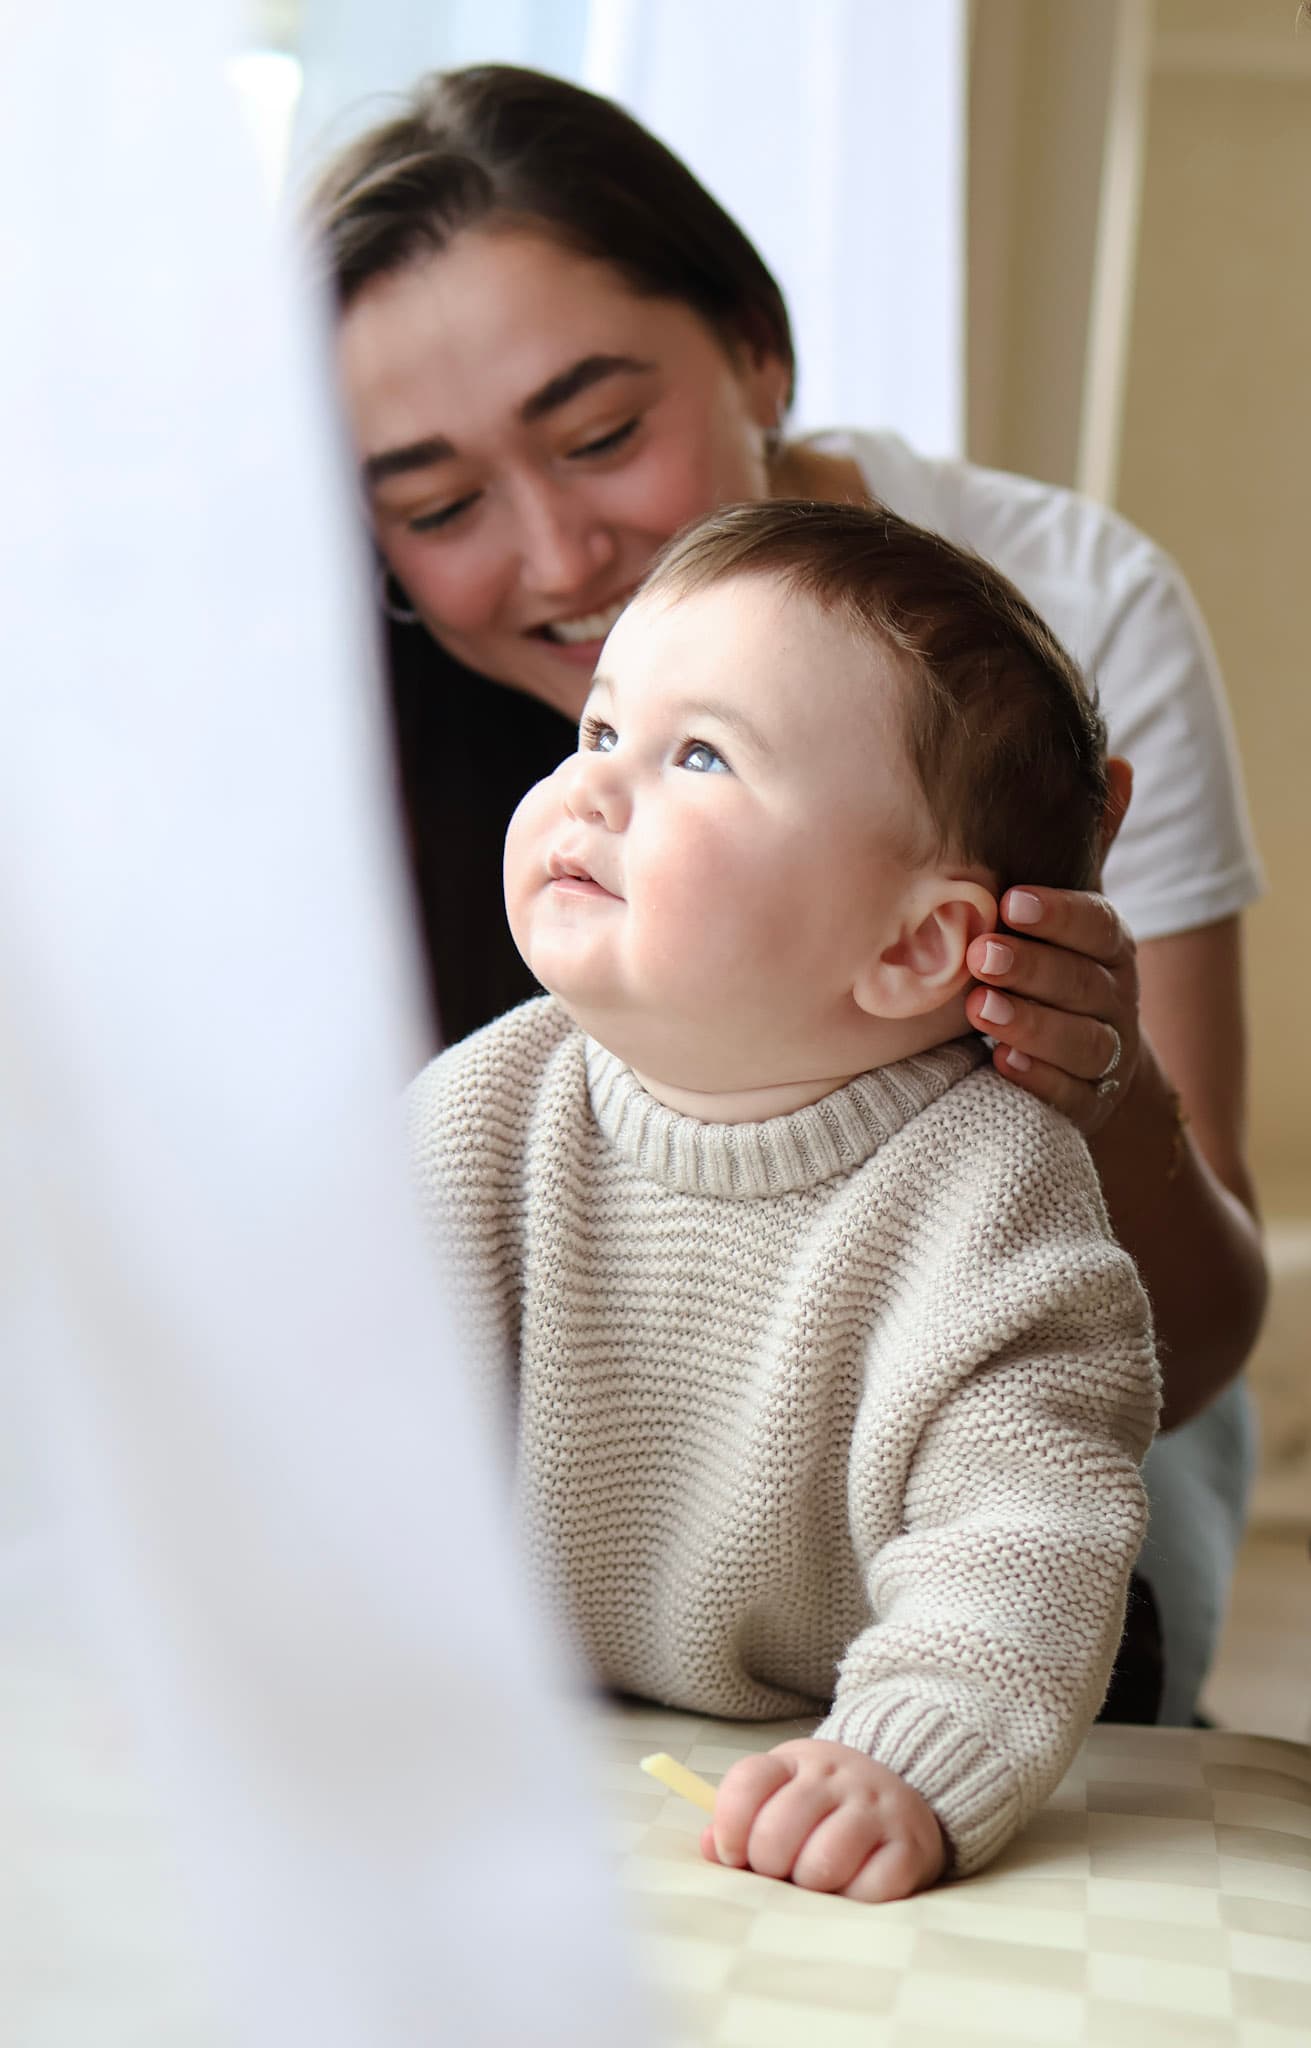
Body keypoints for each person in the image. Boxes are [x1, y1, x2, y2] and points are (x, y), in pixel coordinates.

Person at [310, 64, 1267, 1723]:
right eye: (440, 506)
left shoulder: (1073, 617)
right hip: (601, 1485)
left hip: (1032, 1393)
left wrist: (1100, 1094)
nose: (553, 561)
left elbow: (1183, 1345)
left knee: (1069, 1659)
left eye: (603, 435)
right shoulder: (477, 1064)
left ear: (761, 346)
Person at [409, 498, 1161, 1900]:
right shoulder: (483, 1111)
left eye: (698, 756)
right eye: (597, 732)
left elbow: (1029, 1524)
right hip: (574, 1728)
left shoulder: (988, 1191)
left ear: (917, 943)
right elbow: (318, 1419)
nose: (594, 790)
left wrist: (908, 1760)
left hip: (851, 1718)